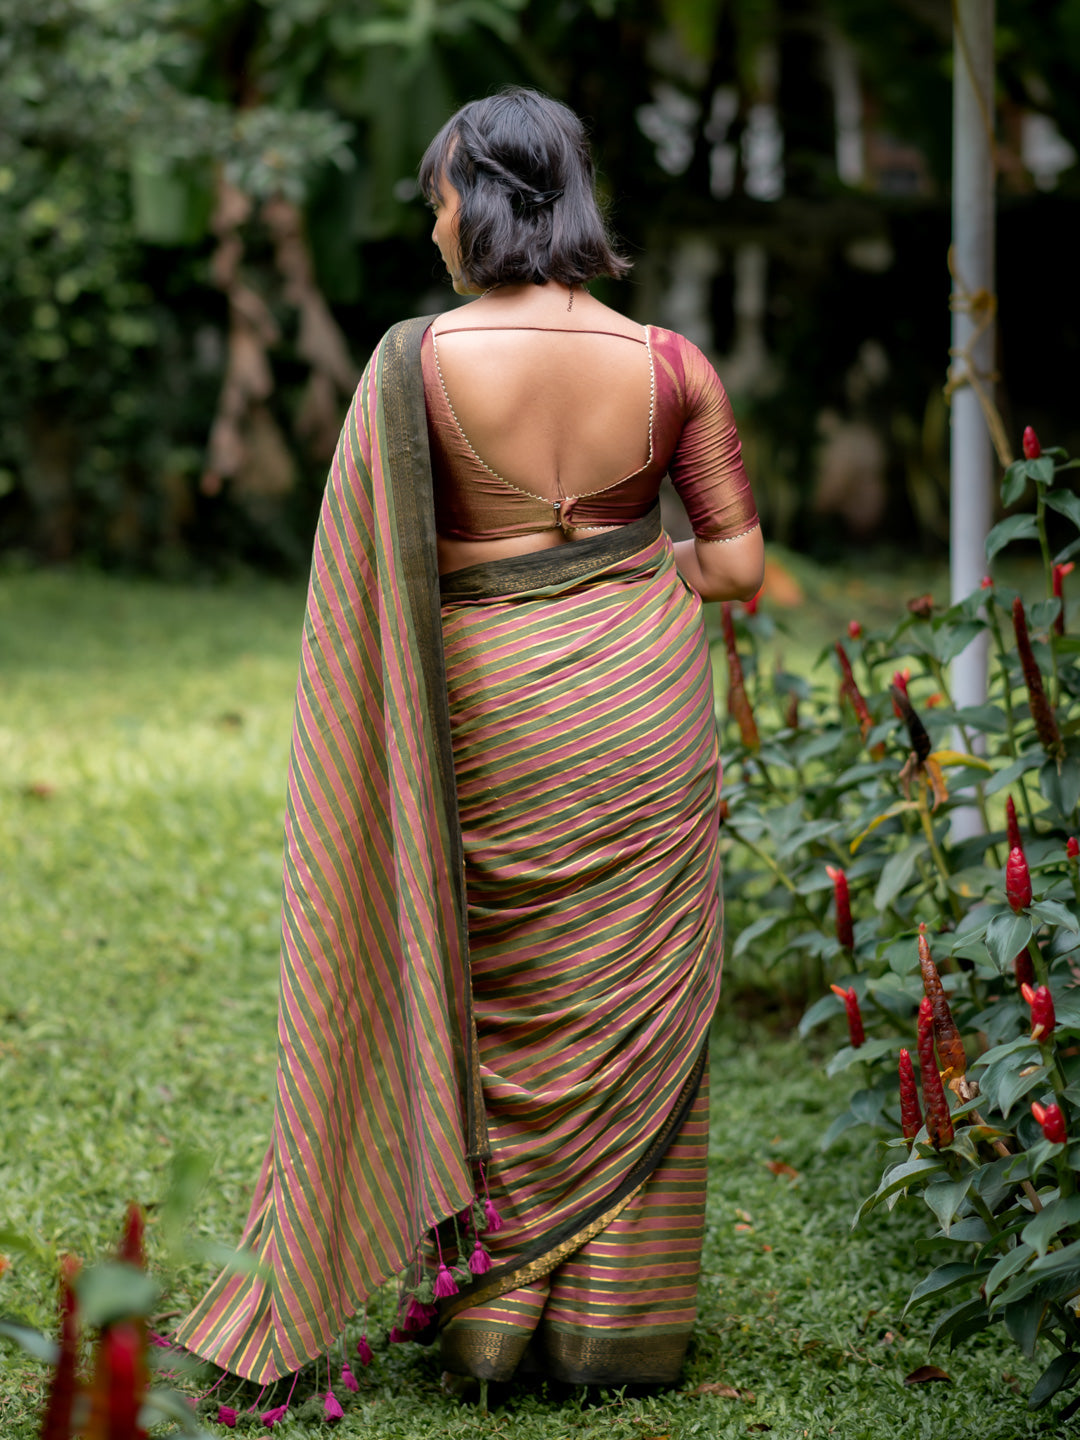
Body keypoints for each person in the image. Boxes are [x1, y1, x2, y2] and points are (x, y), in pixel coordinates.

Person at [175, 87, 763, 1404]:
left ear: (484, 200)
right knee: (628, 989)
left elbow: (389, 573)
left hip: (491, 703)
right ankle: (610, 1324)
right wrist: (625, 567)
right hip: (642, 699)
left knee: (495, 982)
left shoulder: (415, 367)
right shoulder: (673, 365)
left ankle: (488, 1320)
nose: (435, 222)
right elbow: (736, 568)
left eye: (440, 193)